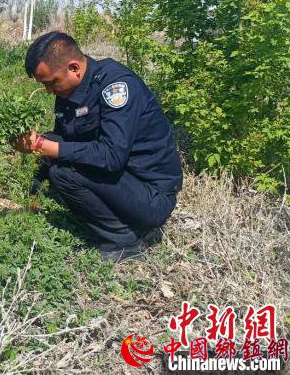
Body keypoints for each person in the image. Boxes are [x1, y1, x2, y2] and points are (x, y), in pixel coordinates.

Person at [12, 32, 182, 263]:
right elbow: (62, 138)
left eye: (51, 83)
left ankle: (124, 243)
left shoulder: (117, 87)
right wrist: (35, 181)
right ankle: (44, 197)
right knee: (53, 144)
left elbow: (111, 156)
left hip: (151, 196)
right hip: (123, 181)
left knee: (63, 173)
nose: (49, 91)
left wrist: (45, 146)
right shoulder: (70, 89)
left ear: (74, 68)